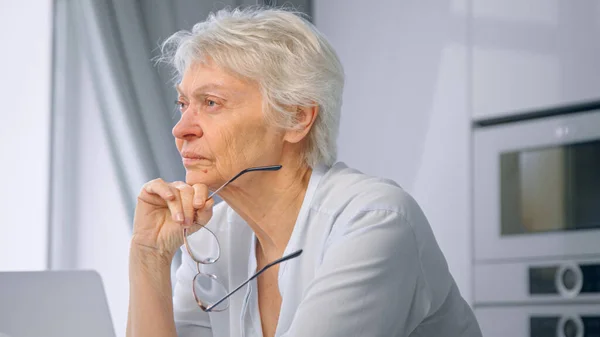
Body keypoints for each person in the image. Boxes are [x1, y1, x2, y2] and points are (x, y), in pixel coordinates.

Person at [126, 6, 482, 337]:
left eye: (211, 103)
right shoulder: (208, 234)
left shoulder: (374, 220)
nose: (181, 128)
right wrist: (149, 255)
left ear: (296, 118)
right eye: (183, 104)